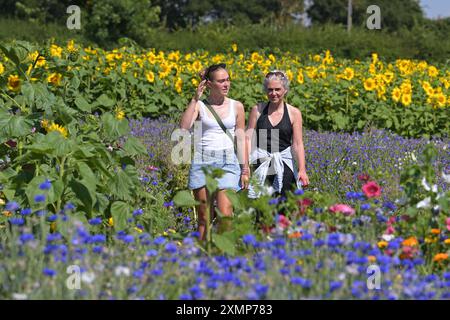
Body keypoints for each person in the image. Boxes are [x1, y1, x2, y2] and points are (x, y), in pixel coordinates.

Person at [180, 63, 249, 240]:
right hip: (203, 162)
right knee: (204, 217)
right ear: (209, 84)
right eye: (221, 81)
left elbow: (240, 138)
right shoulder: (200, 105)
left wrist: (245, 169)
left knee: (226, 215)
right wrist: (195, 99)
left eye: (227, 79)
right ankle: (203, 256)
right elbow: (183, 128)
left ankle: (222, 256)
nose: (226, 84)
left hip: (228, 162)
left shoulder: (237, 106)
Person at [246, 70, 309, 199]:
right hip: (262, 165)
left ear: (285, 90)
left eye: (277, 89)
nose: (273, 93)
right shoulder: (258, 110)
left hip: (283, 165)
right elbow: (248, 139)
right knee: (262, 210)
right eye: (270, 90)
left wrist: (302, 169)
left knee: (283, 209)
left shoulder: (293, 113)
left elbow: (297, 143)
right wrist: (245, 167)